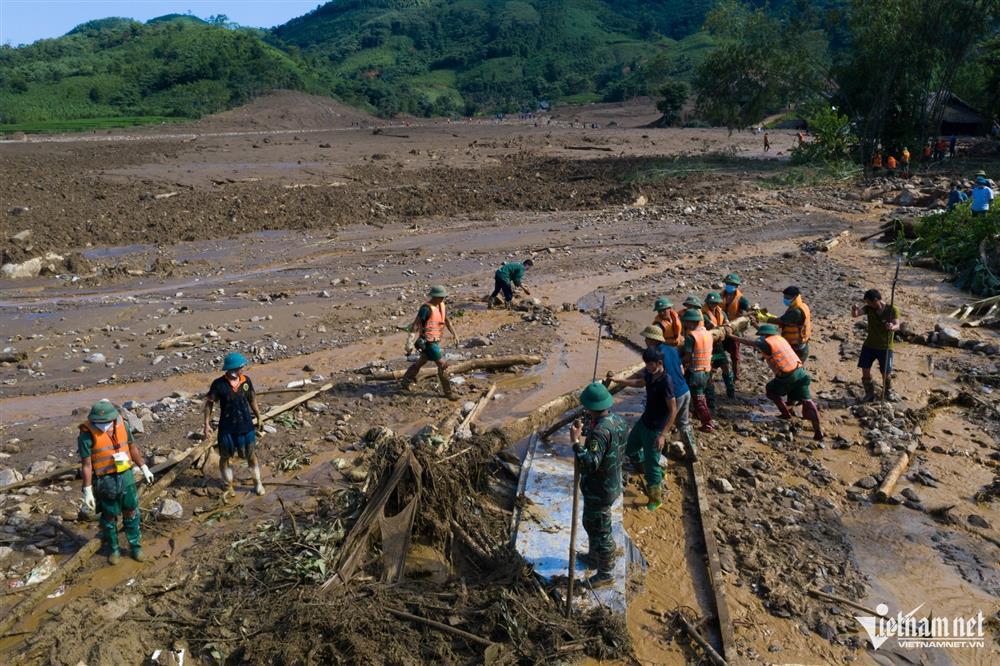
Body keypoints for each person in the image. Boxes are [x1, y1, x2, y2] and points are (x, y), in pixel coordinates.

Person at [79, 399, 154, 564]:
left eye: (106, 422)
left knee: (131, 511)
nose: (103, 425)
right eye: (98, 422)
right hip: (104, 480)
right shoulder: (86, 436)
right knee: (109, 516)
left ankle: (135, 547)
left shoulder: (122, 426)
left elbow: (132, 448)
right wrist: (87, 490)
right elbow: (86, 465)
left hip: (125, 475)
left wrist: (144, 467)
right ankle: (114, 548)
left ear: (113, 418)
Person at [569, 383, 628, 588]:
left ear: (591, 407)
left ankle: (605, 573)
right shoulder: (618, 421)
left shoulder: (599, 432)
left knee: (601, 532)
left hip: (599, 489)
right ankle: (594, 558)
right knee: (591, 524)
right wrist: (589, 428)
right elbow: (613, 447)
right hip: (611, 483)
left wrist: (576, 443)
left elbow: (591, 463)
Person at [729, 324, 824, 441]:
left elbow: (749, 342)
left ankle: (785, 414)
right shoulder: (779, 338)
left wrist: (732, 336)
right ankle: (818, 432)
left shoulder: (766, 343)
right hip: (801, 372)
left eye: (762, 336)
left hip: (788, 376)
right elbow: (764, 338)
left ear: (764, 335)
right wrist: (754, 324)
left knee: (771, 390)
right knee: (807, 401)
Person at [608, 348, 675, 511]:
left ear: (659, 363)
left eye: (650, 364)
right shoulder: (651, 374)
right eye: (646, 364)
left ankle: (655, 498)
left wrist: (663, 435)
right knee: (630, 447)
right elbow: (639, 383)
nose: (648, 367)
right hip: (644, 422)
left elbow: (673, 410)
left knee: (652, 467)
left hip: (656, 430)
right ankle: (648, 467)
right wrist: (619, 380)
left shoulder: (666, 381)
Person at [204, 352, 265, 498]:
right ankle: (228, 485)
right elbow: (209, 404)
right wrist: (206, 424)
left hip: (246, 426)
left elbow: (252, 399)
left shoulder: (246, 381)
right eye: (240, 367)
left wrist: (259, 416)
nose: (243, 369)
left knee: (251, 455)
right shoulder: (219, 384)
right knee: (225, 457)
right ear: (232, 369)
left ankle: (257, 482)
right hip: (227, 428)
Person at [632, 325, 697, 459]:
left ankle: (660, 453)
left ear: (653, 340)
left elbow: (645, 378)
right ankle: (692, 451)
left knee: (663, 424)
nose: (645, 341)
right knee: (683, 424)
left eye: (647, 339)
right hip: (685, 391)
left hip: (674, 395)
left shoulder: (655, 355)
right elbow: (681, 369)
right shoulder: (672, 349)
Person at [402, 285, 460, 399]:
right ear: (435, 297)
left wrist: (455, 334)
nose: (443, 299)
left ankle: (405, 381)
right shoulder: (425, 309)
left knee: (420, 362)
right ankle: (448, 393)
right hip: (428, 342)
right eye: (441, 297)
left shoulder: (442, 306)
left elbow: (447, 321)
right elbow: (415, 324)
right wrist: (410, 340)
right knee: (443, 365)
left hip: (436, 340)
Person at [851, 289, 900, 402]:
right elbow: (856, 315)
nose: (867, 305)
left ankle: (888, 391)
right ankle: (869, 393)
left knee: (885, 373)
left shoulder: (892, 309)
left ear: (876, 300)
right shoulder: (869, 308)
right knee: (865, 369)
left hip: (885, 347)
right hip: (869, 345)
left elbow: (898, 325)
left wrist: (891, 327)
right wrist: (854, 310)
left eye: (869, 302)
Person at [681, 309, 715, 432]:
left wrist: (678, 361)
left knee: (699, 399)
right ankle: (696, 415)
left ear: (690, 322)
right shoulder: (707, 333)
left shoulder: (691, 337)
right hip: (706, 370)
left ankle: (707, 423)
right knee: (700, 397)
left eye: (686, 322)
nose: (685, 324)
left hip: (697, 372)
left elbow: (688, 357)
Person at [762, 286, 812, 365]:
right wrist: (769, 315)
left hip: (797, 348)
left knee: (793, 369)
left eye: (787, 297)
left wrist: (765, 319)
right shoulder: (802, 306)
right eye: (784, 297)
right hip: (801, 343)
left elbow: (781, 321)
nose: (785, 299)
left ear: (794, 297)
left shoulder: (796, 311)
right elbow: (785, 319)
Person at [702, 292, 734, 400]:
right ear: (707, 303)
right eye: (711, 303)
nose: (713, 305)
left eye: (715, 303)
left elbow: (727, 324)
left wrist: (727, 327)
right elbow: (712, 326)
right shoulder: (703, 315)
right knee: (709, 372)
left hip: (718, 345)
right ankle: (710, 398)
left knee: (725, 366)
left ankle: (731, 393)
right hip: (707, 346)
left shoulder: (722, 313)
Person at [721, 274, 751, 382]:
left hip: (734, 331)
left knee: (735, 355)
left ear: (736, 286)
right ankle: (719, 372)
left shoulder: (741, 299)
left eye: (732, 284)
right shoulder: (720, 296)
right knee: (718, 352)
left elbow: (749, 311)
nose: (730, 286)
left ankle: (736, 376)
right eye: (728, 284)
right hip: (721, 330)